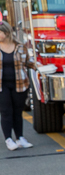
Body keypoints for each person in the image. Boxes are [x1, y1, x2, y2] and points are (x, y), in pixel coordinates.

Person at [0, 21, 36, 151]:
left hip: (19, 84)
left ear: (7, 32)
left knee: (17, 111)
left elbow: (29, 62)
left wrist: (40, 67)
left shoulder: (20, 47)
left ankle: (20, 138)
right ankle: (8, 139)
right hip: (1, 86)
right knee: (6, 111)